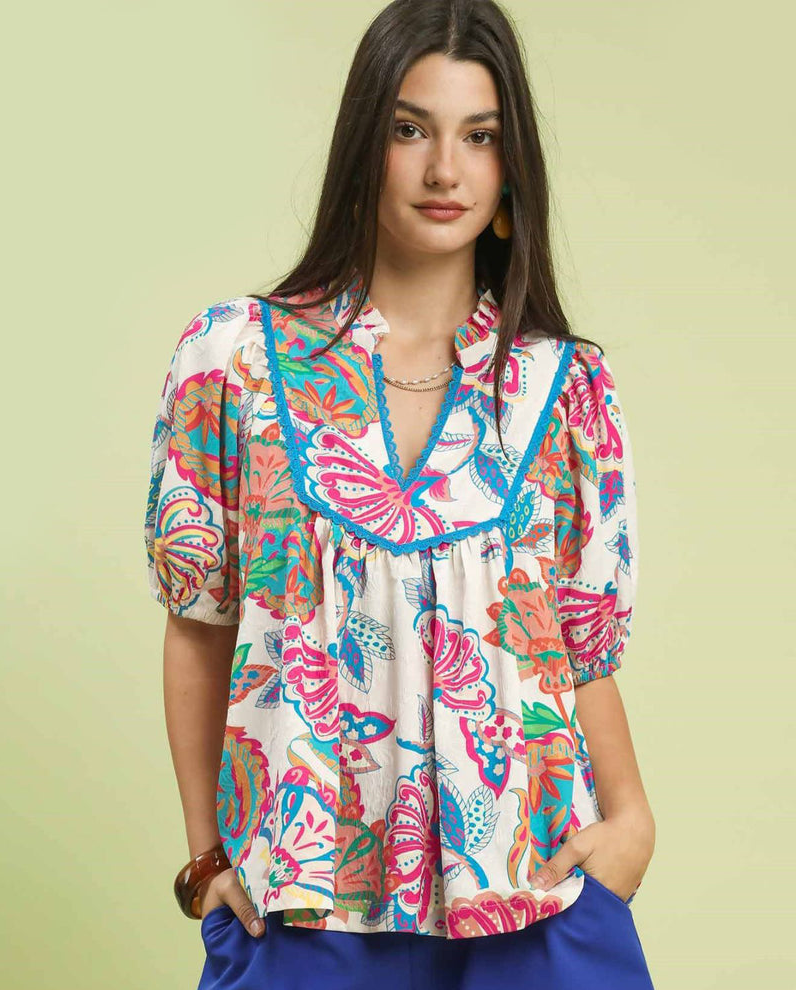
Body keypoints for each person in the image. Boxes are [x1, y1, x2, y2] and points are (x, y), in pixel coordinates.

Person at [144, 1, 656, 987]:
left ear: (510, 169)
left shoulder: (565, 387)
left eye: (480, 137)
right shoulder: (232, 361)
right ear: (362, 147)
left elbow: (579, 645)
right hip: (302, 906)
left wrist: (629, 819)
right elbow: (199, 624)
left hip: (535, 900)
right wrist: (207, 859)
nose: (444, 170)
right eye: (410, 129)